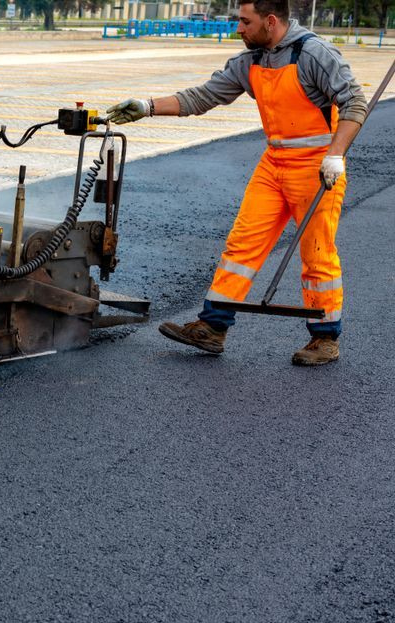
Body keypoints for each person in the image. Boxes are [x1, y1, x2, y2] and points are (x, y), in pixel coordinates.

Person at [107, 0, 367, 366]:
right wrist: (147, 106)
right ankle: (213, 327)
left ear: (271, 21)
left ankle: (325, 338)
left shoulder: (314, 53)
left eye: (245, 21)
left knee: (316, 254)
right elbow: (203, 96)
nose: (238, 29)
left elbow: (355, 101)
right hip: (274, 163)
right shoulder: (252, 60)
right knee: (242, 245)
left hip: (316, 168)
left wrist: (336, 155)